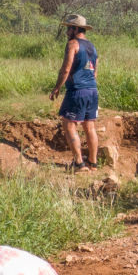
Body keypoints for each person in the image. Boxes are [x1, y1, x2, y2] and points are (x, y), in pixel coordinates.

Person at [49, 14, 101, 172]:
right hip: (93, 90)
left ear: (76, 29)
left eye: (69, 28)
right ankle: (93, 163)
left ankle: (79, 164)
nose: (67, 32)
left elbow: (66, 69)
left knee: (69, 124)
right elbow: (95, 73)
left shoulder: (73, 44)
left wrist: (57, 87)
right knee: (89, 126)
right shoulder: (92, 46)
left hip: (77, 91)